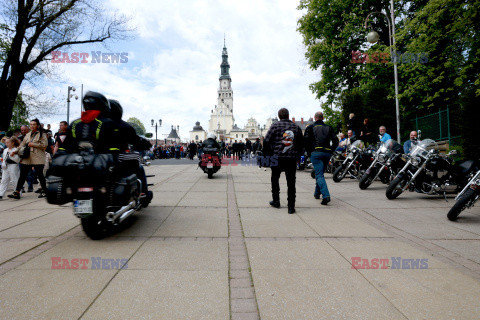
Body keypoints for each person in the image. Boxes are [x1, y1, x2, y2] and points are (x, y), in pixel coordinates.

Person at [109, 99, 153, 205]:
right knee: (139, 166)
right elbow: (136, 140)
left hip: (99, 158)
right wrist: (146, 145)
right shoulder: (123, 126)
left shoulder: (99, 123)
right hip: (118, 157)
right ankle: (143, 193)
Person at [263, 108, 303, 214]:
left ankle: (276, 201)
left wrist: (270, 152)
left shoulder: (275, 126)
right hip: (291, 158)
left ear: (279, 116)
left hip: (277, 157)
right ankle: (291, 206)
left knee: (275, 179)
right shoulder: (296, 127)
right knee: (291, 182)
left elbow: (266, 140)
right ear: (288, 115)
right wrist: (298, 155)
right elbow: (301, 143)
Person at [304, 112, 339, 205]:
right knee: (320, 173)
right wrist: (331, 150)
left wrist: (309, 153)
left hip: (316, 152)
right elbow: (336, 140)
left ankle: (326, 196)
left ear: (315, 118)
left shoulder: (310, 128)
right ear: (322, 118)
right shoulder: (329, 127)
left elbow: (306, 142)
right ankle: (316, 193)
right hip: (327, 153)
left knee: (319, 174)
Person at [8, 119, 48, 199]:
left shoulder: (41, 134)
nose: (32, 126)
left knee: (40, 175)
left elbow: (44, 145)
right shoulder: (28, 134)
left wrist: (33, 144)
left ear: (37, 125)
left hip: (37, 156)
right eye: (31, 124)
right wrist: (15, 151)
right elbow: (21, 145)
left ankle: (45, 191)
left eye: (34, 124)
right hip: (27, 156)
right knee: (22, 175)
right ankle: (17, 192)